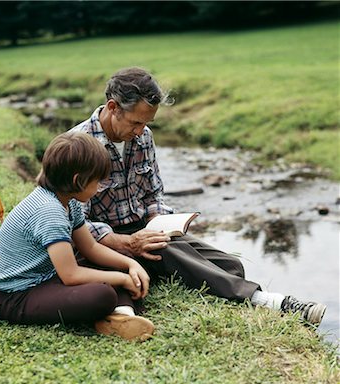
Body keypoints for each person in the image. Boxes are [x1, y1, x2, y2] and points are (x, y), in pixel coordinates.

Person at [69, 67, 326, 326]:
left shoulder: (144, 137)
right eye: (135, 122)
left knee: (230, 265)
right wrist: (126, 242)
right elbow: (74, 220)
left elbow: (152, 192)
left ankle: (158, 268)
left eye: (147, 123)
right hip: (103, 242)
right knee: (164, 250)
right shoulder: (77, 145)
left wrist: (160, 221)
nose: (140, 131)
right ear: (113, 107)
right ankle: (275, 302)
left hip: (142, 230)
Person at [0, 132, 155, 341]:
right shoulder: (49, 212)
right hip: (17, 295)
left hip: (48, 276)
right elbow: (71, 275)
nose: (99, 187)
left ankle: (120, 317)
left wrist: (130, 264)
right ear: (78, 181)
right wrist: (121, 279)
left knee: (115, 266)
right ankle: (114, 310)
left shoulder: (69, 201)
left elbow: (90, 248)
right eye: (97, 182)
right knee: (103, 294)